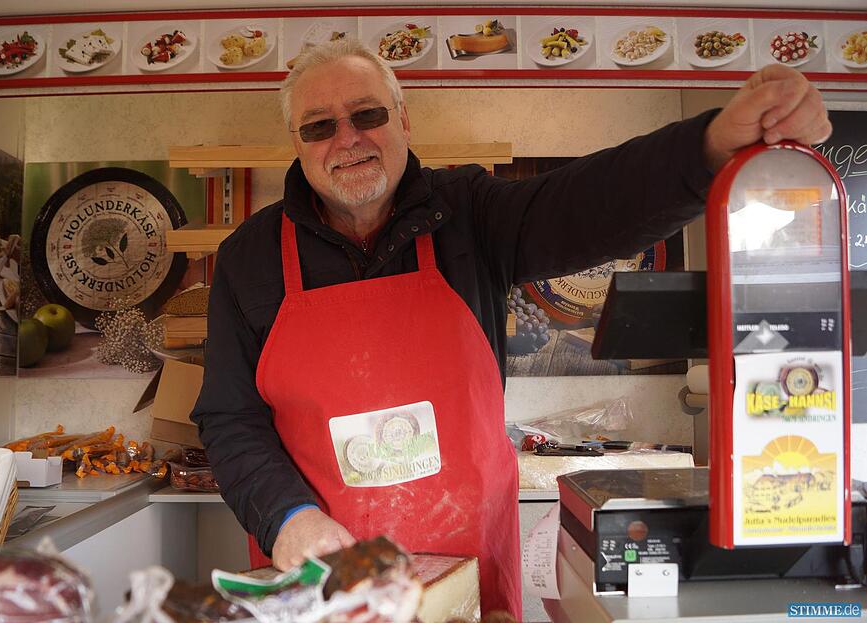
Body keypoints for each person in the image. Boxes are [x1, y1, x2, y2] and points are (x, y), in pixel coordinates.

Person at [191, 37, 831, 619]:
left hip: (467, 563)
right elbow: (229, 416)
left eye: (368, 114)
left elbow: (585, 204)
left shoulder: (467, 213)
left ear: (404, 119)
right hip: (323, 570)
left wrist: (710, 148)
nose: (347, 138)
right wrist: (288, 518)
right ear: (297, 145)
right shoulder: (250, 258)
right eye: (320, 126)